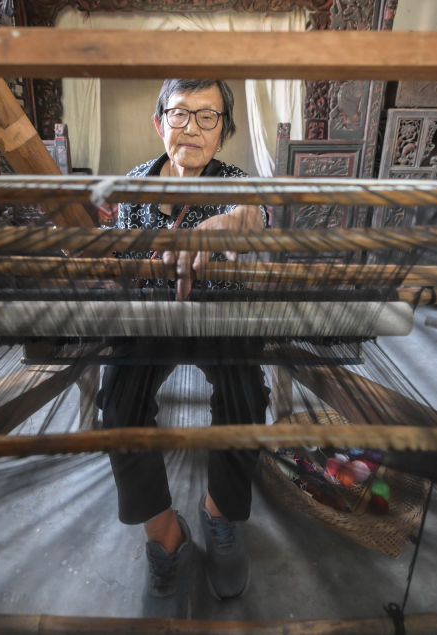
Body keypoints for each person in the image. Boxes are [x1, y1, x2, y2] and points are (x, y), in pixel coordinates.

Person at [96, 79, 271, 612]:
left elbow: (254, 214)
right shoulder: (134, 185)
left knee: (245, 393)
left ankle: (219, 513)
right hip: (151, 317)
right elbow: (117, 261)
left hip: (220, 315)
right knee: (119, 402)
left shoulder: (235, 184)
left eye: (207, 117)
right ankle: (164, 534)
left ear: (223, 133)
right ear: (159, 124)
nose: (191, 128)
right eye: (179, 114)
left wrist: (225, 222)